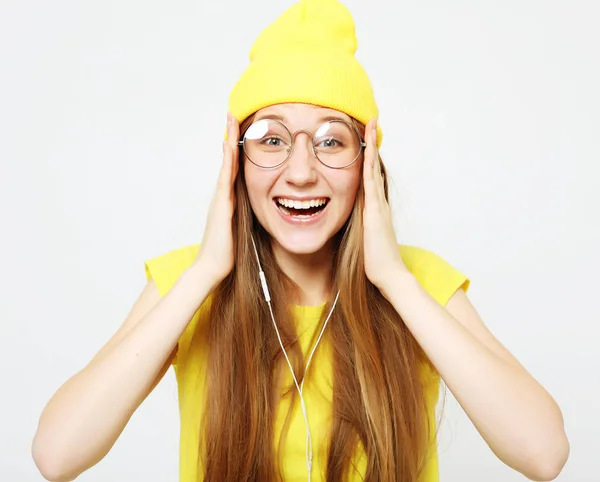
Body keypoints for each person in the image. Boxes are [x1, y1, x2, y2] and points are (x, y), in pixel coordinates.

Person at [31, 1, 569, 481]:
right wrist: (204, 274)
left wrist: (393, 281)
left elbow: (543, 455)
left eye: (333, 140)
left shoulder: (421, 282)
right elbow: (57, 456)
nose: (302, 172)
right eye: (272, 140)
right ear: (235, 162)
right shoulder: (184, 282)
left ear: (368, 162)